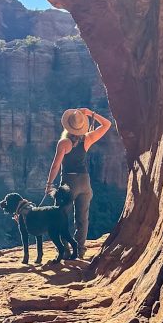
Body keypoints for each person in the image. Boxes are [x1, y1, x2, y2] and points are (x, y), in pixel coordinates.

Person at [44, 107, 111, 259]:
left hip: (68, 182)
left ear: (67, 125)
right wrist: (91, 114)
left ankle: (65, 251)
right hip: (85, 181)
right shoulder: (87, 139)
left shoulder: (64, 143)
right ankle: (79, 251)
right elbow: (107, 124)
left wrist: (49, 184)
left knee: (61, 216)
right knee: (82, 218)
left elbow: (55, 165)